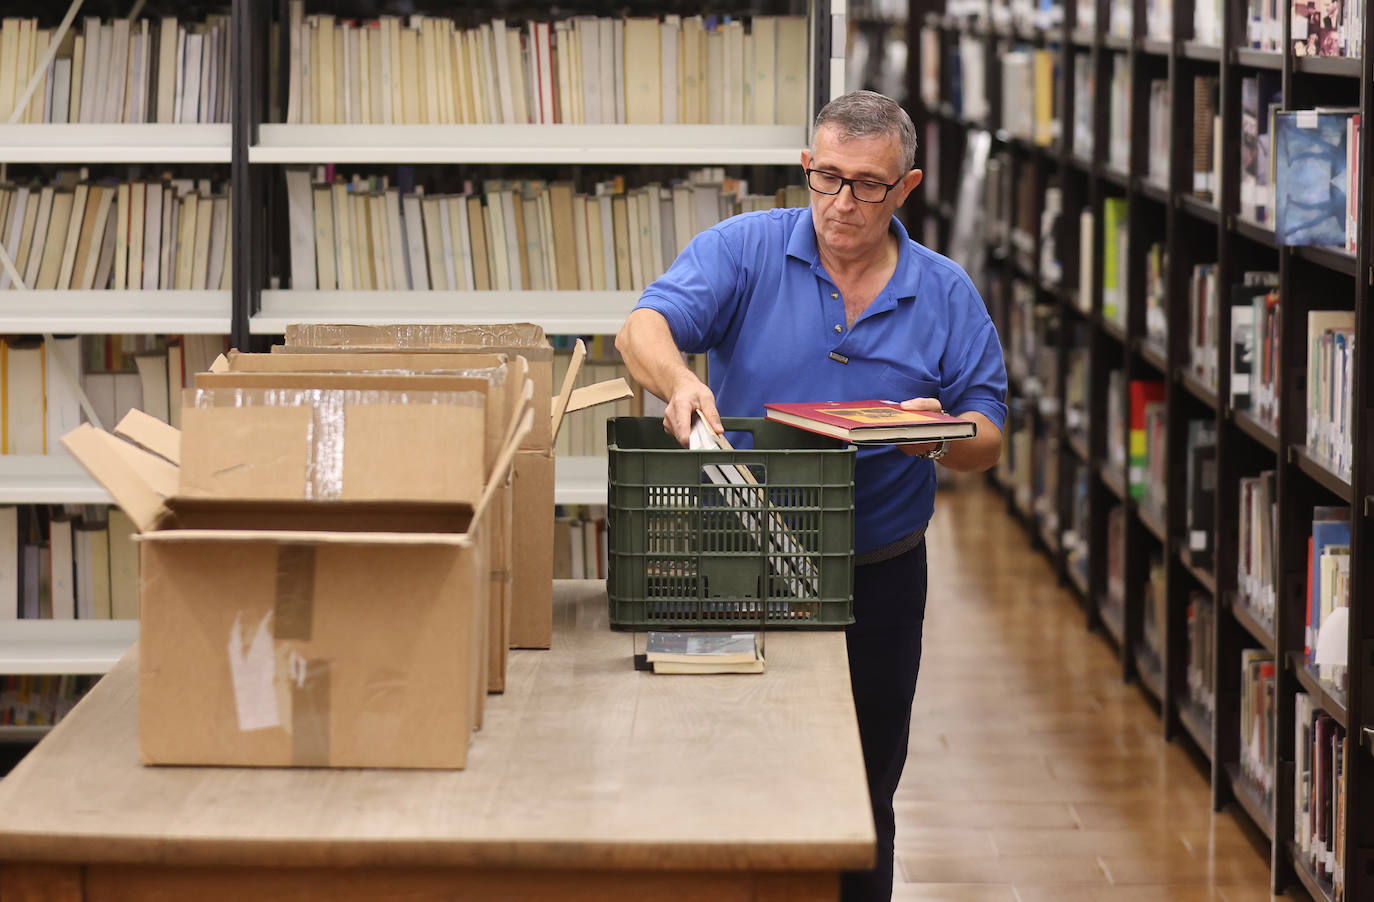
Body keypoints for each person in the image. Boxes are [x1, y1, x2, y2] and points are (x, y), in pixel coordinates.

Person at [616, 90, 1008, 902]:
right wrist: (682, 379)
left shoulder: (944, 292)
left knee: (865, 793)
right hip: (740, 566)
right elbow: (639, 329)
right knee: (730, 777)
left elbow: (990, 433)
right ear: (806, 168)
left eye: (869, 184)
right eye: (827, 177)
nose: (843, 203)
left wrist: (932, 434)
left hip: (881, 573)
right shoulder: (746, 250)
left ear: (908, 187)